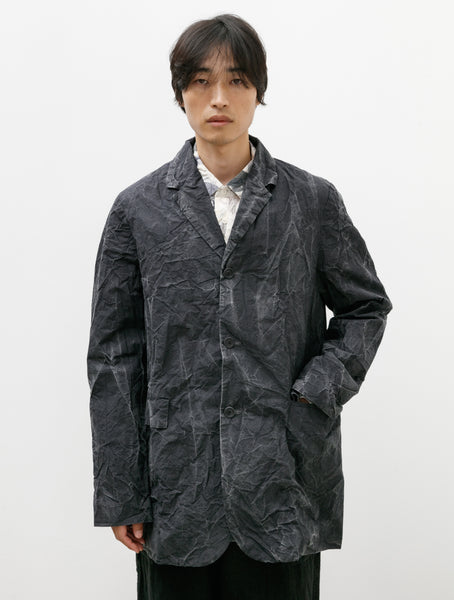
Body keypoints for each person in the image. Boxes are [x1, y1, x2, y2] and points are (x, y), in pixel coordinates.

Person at [87, 13, 392, 600]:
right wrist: (120, 491)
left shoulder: (311, 201)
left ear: (259, 91)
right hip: (176, 483)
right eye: (201, 81)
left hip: (283, 475)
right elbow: (114, 356)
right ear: (180, 93)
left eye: (237, 80)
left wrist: (314, 394)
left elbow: (365, 309)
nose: (219, 98)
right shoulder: (138, 209)